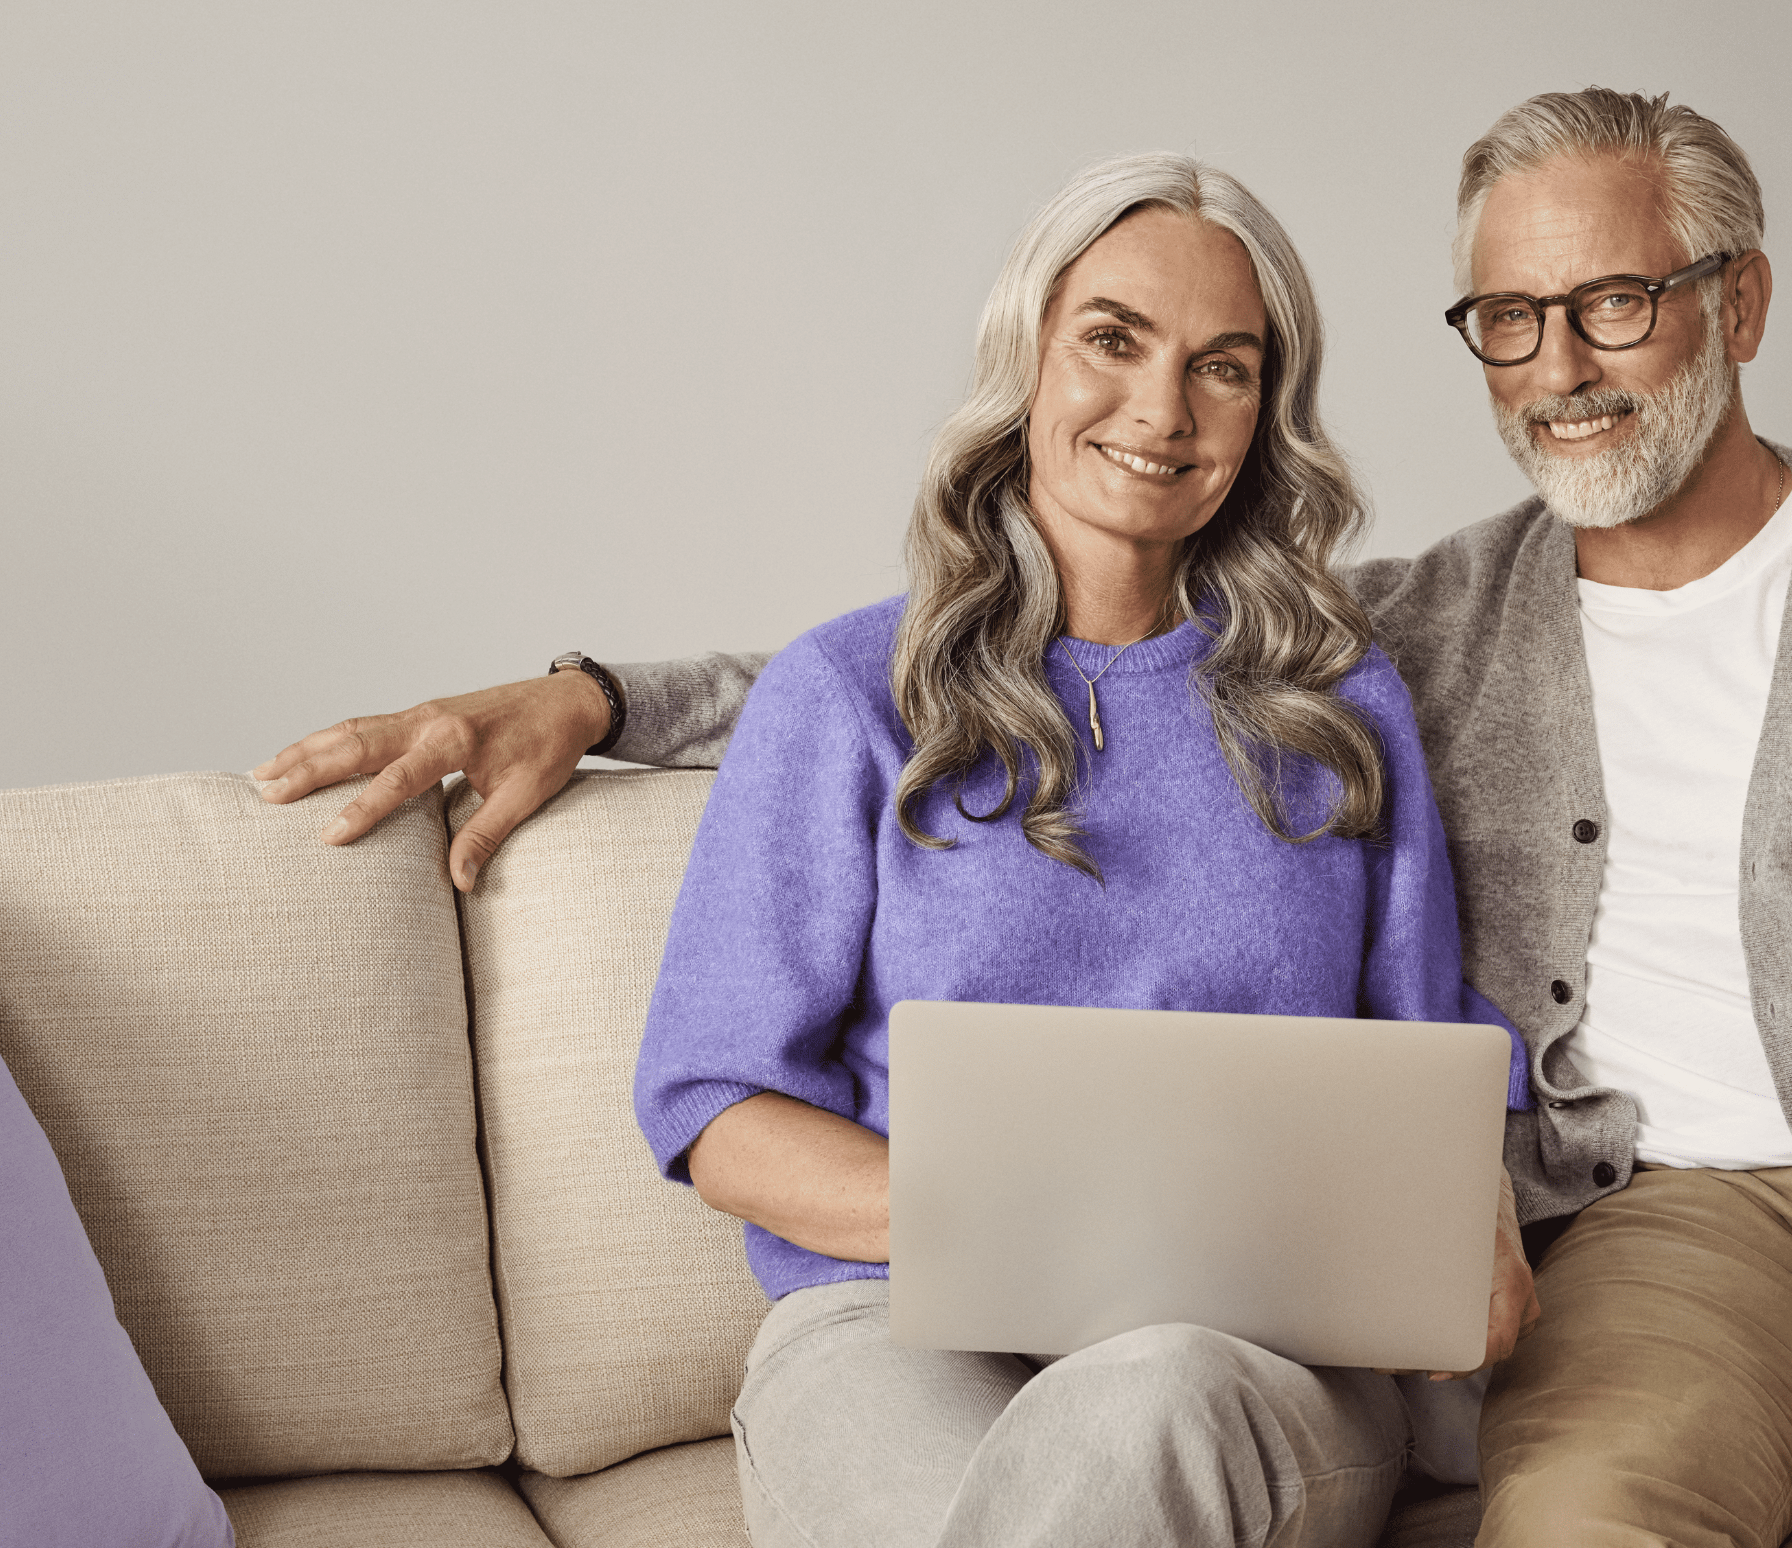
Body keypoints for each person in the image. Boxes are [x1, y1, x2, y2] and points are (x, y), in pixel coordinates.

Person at [256, 92, 1792, 1547]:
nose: (1557, 363)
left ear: (1733, 302)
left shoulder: (1446, 667)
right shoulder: (1285, 649)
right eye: (1508, 317)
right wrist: (577, 692)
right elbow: (944, 679)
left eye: (1613, 298)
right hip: (1384, 1274)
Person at [621, 153, 1536, 1548]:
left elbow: (1430, 1076)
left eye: (1223, 367)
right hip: (892, 1325)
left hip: (1246, 1360)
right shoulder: (845, 696)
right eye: (1113, 341)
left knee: (1145, 1397)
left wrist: (1479, 1236)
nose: (1161, 410)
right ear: (1029, 360)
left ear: (1266, 413)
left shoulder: (1341, 708)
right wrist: (1024, 1217)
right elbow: (715, 1109)